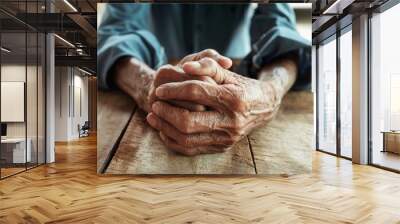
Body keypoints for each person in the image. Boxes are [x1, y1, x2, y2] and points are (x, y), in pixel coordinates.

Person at [98, 3, 311, 156]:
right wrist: (146, 84)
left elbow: (281, 29)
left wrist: (270, 92)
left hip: (234, 73)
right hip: (159, 73)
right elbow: (116, 31)